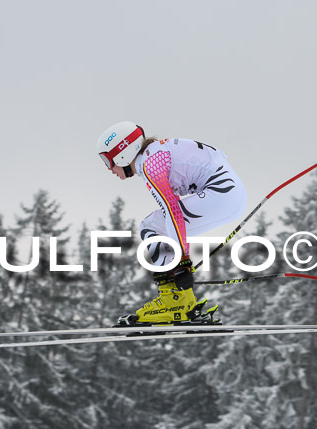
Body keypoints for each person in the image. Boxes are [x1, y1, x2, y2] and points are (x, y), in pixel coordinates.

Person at [96, 121, 247, 325]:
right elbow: (176, 217)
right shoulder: (153, 155)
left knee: (152, 226)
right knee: (158, 226)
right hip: (226, 193)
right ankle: (181, 301)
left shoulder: (150, 163)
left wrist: (182, 263)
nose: (109, 169)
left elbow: (172, 210)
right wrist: (182, 261)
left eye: (108, 161)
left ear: (122, 152)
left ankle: (175, 303)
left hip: (221, 193)